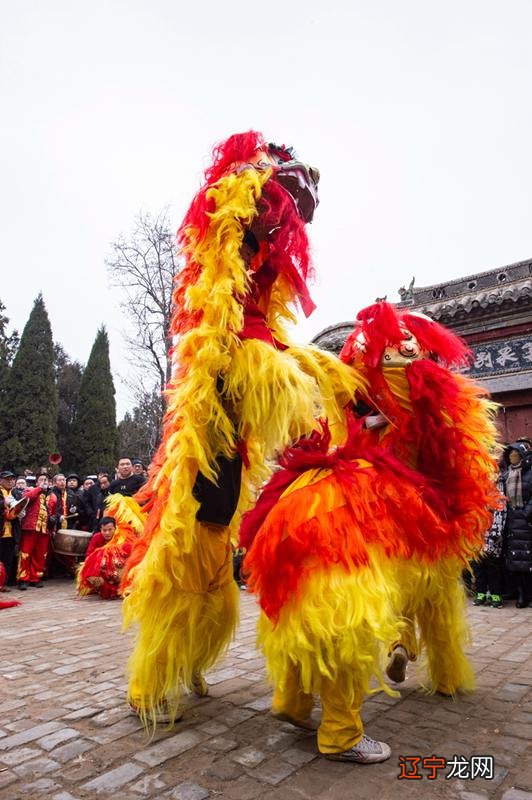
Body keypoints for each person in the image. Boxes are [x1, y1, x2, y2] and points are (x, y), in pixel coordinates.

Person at [120, 132, 357, 726]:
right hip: (223, 376)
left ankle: (192, 659)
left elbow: (266, 323)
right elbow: (220, 227)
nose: (280, 224)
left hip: (235, 421)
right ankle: (154, 677)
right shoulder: (225, 234)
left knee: (217, 536)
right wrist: (254, 183)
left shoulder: (265, 263)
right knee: (191, 544)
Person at [240, 302, 499, 764]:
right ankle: (341, 733)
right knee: (349, 620)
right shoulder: (415, 411)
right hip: (361, 511)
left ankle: (293, 700)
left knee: (306, 608)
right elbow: (438, 451)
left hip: (303, 500)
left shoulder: (356, 402)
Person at [77, 500, 144, 599]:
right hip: (101, 570)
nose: (107, 533)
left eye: (110, 530)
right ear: (100, 529)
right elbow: (89, 556)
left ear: (115, 528)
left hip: (119, 571)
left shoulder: (122, 537)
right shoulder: (96, 537)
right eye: (104, 530)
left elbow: (132, 553)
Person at [503, 443, 532, 608]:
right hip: (512, 521)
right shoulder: (507, 473)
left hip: (527, 522)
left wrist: (527, 512)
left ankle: (529, 594)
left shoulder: (529, 472)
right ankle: (521, 595)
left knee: (528, 560)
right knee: (515, 561)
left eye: (515, 454)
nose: (512, 457)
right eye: (510, 454)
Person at [472, 473, 506, 608]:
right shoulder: (476, 493)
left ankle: (495, 594)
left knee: (493, 567)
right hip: (477, 536)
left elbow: (501, 514)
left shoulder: (498, 493)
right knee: (478, 566)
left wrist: (495, 534)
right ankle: (480, 593)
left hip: (492, 536)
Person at [17, 474, 50, 589]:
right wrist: (39, 488)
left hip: (44, 529)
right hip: (30, 527)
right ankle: (23, 579)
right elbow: (27, 498)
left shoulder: (52, 495)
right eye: (41, 480)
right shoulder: (30, 490)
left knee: (40, 555)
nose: (44, 481)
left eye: (46, 480)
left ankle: (35, 578)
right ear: (36, 482)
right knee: (26, 553)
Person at [0, 471, 17, 588]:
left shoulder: (15, 492)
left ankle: (3, 584)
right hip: (0, 531)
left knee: (8, 560)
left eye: (12, 479)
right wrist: (3, 502)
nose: (10, 481)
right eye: (7, 479)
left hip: (11, 532)